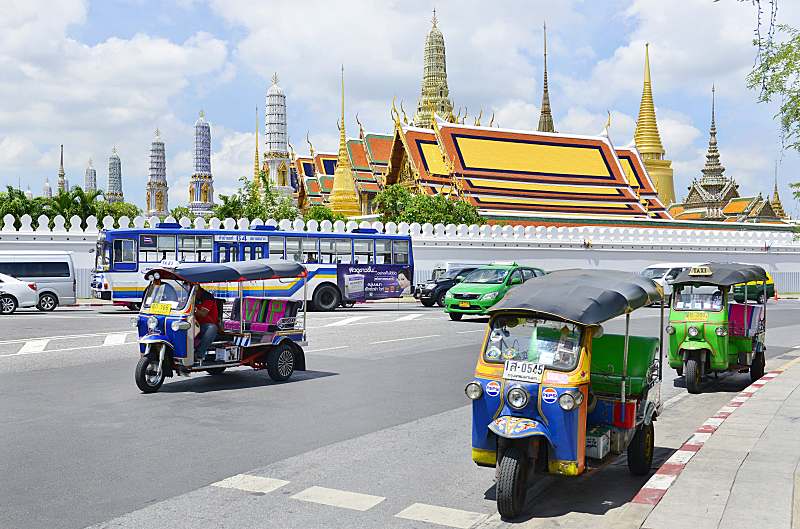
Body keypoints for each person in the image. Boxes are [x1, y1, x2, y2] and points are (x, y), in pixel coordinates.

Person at [194, 288, 219, 361]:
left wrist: (193, 308)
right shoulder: (191, 297)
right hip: (195, 324)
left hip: (205, 326)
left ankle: (199, 354)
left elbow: (203, 314)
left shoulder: (208, 298)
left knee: (212, 328)